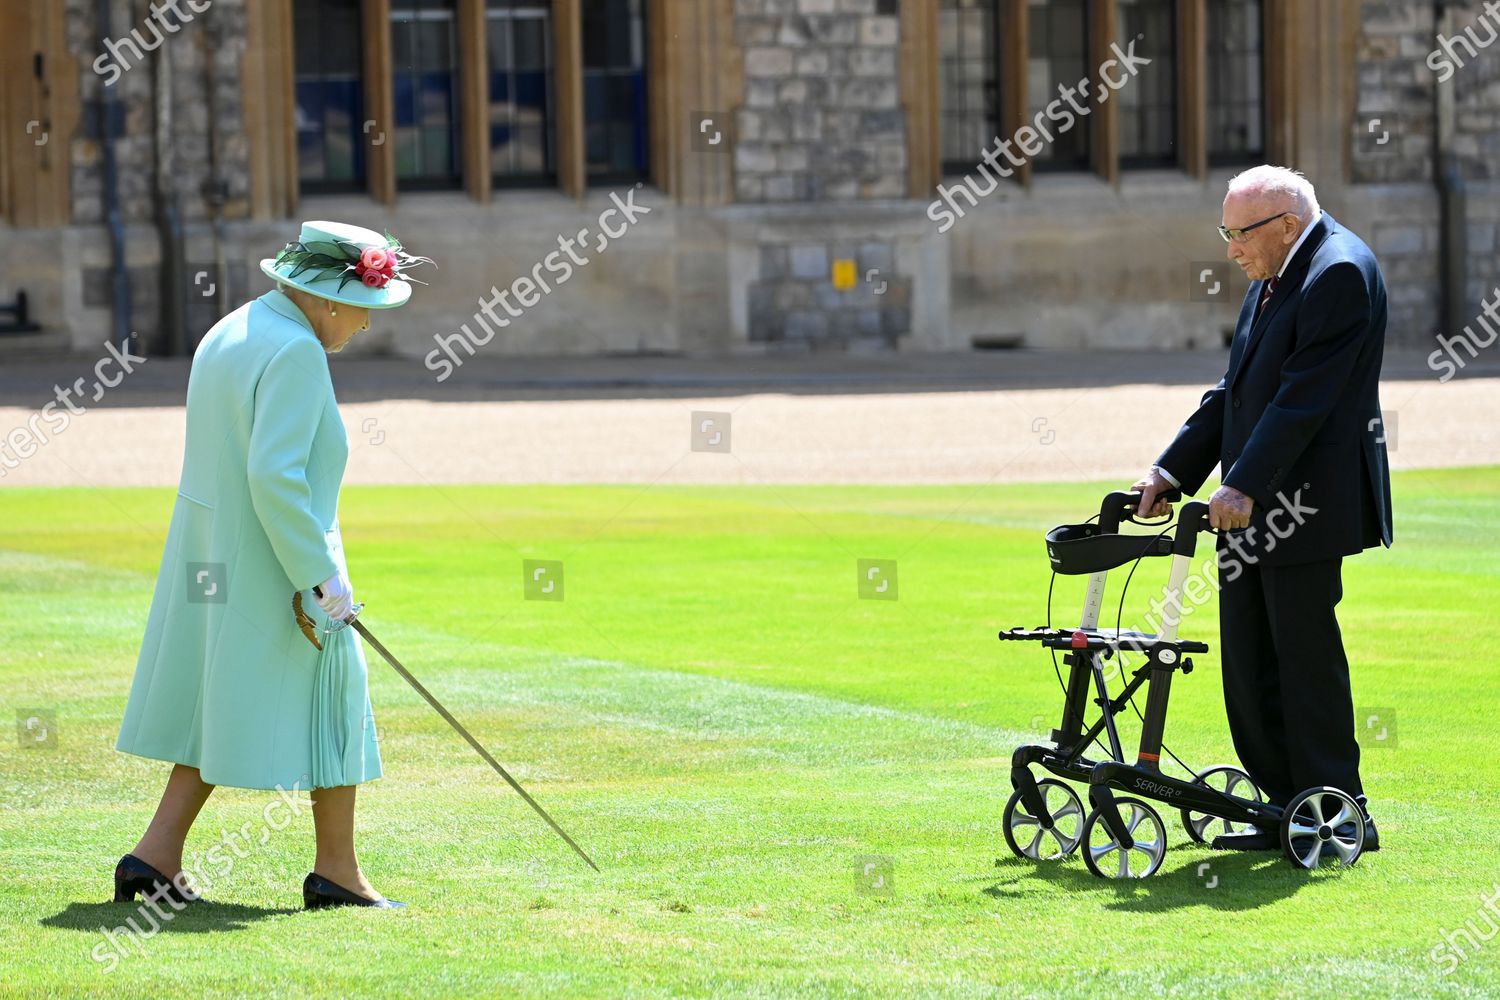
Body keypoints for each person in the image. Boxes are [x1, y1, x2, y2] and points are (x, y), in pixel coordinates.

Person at [113, 220, 433, 907]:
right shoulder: (296, 352)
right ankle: (337, 873)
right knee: (339, 697)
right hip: (273, 561)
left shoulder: (234, 326)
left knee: (215, 702)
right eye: (363, 308)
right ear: (325, 300)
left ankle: (153, 855)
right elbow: (276, 476)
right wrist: (319, 576)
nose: (367, 326)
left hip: (214, 559)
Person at [1133, 165, 1392, 851]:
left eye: (1238, 233)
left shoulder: (1336, 271)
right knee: (1251, 661)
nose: (1229, 249)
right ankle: (1282, 810)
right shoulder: (1273, 272)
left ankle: (1341, 811)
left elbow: (1303, 398)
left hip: (1301, 505)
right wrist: (1172, 469)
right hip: (1244, 507)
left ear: (1284, 225)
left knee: (1302, 660)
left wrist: (1242, 483)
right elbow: (1237, 391)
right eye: (1226, 232)